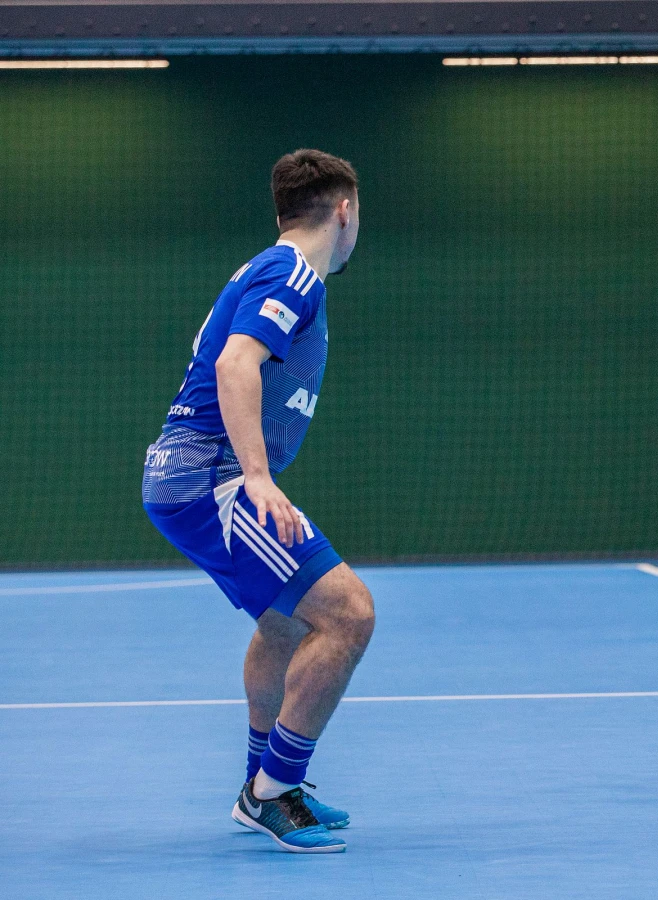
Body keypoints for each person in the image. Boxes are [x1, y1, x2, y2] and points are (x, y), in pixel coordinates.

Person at [142, 149, 373, 853]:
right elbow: (235, 362)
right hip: (208, 476)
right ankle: (271, 792)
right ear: (344, 211)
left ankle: (264, 783)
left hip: (187, 476)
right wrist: (257, 477)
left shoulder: (270, 270)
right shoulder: (291, 272)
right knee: (349, 615)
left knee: (286, 623)